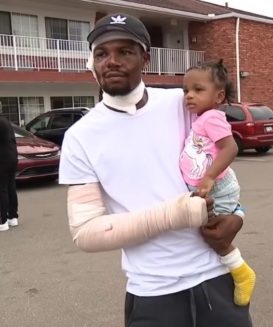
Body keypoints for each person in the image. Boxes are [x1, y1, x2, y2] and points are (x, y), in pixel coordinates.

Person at [59, 13, 252, 327]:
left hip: (216, 276)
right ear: (92, 63)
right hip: (152, 291)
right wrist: (174, 215)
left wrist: (238, 215)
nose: (112, 61)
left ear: (145, 59)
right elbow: (86, 233)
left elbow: (217, 169)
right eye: (102, 54)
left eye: (125, 52)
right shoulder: (80, 137)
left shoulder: (182, 103)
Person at [180, 59, 256, 306]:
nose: (189, 96)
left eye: (198, 90)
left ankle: (242, 273)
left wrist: (209, 176)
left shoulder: (212, 117)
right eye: (186, 91)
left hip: (218, 188)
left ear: (218, 95)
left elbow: (230, 147)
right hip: (208, 187)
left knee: (213, 234)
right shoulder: (200, 117)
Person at [0, 114, 19, 232]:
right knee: (11, 187)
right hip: (12, 157)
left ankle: (3, 221)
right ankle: (13, 217)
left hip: (2, 159)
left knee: (2, 189)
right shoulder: (6, 121)